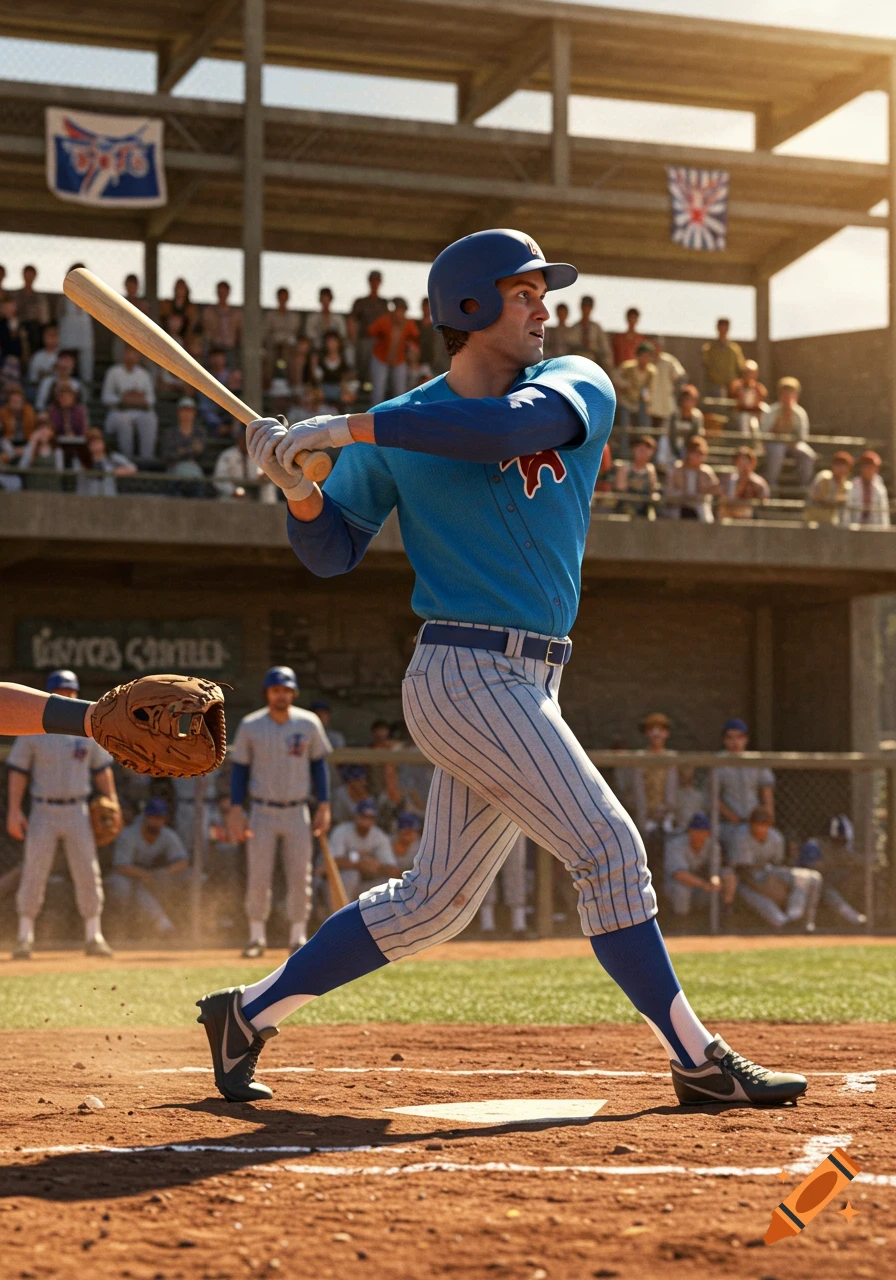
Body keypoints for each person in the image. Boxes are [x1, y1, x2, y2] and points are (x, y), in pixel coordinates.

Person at [198, 226, 807, 1109]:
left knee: (433, 904)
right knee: (610, 850)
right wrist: (298, 484)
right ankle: (698, 1058)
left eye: (539, 292)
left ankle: (244, 1016)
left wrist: (344, 425)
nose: (544, 307)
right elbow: (330, 551)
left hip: (531, 679)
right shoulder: (396, 430)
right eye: (524, 293)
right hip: (463, 672)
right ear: (471, 307)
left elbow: (498, 431)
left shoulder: (572, 382)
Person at [6, 669, 117, 959]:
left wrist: (112, 800)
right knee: (34, 872)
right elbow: (18, 772)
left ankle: (94, 935)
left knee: (88, 872)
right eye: (61, 692)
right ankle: (25, 937)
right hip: (43, 808)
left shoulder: (89, 728)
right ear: (51, 694)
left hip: (78, 809)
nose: (67, 696)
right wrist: (15, 811)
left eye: (71, 691)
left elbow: (101, 770)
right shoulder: (33, 727)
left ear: (77, 694)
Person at [227, 666, 332, 958]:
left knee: (301, 875)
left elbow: (319, 767)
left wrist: (324, 805)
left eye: (286, 690)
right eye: (276, 690)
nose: (281, 695)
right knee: (258, 875)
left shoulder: (308, 722)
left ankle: (297, 937)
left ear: (293, 693)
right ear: (267, 692)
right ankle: (256, 937)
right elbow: (239, 771)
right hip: (262, 809)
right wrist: (236, 808)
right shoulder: (251, 724)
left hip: (298, 809)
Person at [105, 797, 188, 937]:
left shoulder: (167, 835)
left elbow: (183, 862)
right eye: (153, 817)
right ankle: (122, 927)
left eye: (160, 817)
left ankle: (168, 926)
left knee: (174, 880)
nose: (156, 821)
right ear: (146, 817)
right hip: (126, 876)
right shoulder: (130, 834)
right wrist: (145, 875)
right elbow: (120, 866)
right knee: (123, 886)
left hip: (150, 876)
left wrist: (164, 873)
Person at [730, 808, 822, 933]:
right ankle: (783, 923)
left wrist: (775, 881)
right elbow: (741, 871)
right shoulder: (741, 835)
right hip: (745, 880)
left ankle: (797, 918)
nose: (760, 829)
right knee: (751, 894)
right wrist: (762, 887)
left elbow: (778, 864)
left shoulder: (776, 837)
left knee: (812, 878)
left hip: (768, 873)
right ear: (750, 824)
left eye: (764, 825)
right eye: (757, 825)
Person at [714, 718, 774, 857]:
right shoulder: (717, 762)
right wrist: (735, 819)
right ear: (724, 740)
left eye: (739, 737)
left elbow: (767, 793)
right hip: (729, 823)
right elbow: (713, 798)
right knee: (740, 835)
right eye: (730, 738)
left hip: (756, 819)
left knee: (774, 837)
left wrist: (768, 819)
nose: (735, 742)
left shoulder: (756, 759)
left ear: (746, 739)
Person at [663, 813, 735, 922]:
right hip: (676, 886)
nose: (700, 835)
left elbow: (716, 870)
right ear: (690, 831)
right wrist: (703, 884)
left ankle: (726, 914)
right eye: (696, 831)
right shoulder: (675, 844)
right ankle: (680, 924)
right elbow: (679, 874)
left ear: (708, 833)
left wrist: (715, 880)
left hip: (702, 887)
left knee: (728, 875)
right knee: (681, 891)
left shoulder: (713, 846)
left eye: (703, 831)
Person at [800, 814, 866, 927]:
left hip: (833, 880)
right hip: (808, 884)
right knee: (823, 886)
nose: (839, 845)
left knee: (858, 877)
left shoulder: (844, 849)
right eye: (837, 841)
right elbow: (810, 866)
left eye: (842, 841)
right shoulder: (813, 845)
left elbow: (855, 860)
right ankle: (852, 918)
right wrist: (836, 863)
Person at [328, 799, 397, 903]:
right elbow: (331, 863)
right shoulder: (341, 831)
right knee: (352, 875)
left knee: (389, 884)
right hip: (337, 884)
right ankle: (341, 913)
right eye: (363, 816)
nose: (366, 820)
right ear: (355, 816)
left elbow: (393, 870)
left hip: (364, 885)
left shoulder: (379, 836)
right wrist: (359, 863)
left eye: (370, 817)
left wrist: (378, 867)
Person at [630, 712, 678, 852]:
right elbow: (637, 789)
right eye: (652, 730)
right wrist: (644, 815)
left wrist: (670, 813)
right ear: (647, 733)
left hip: (668, 816)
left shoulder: (672, 758)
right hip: (645, 816)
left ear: (666, 733)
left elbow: (674, 789)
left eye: (660, 730)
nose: (656, 734)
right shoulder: (640, 757)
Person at [101, 344, 159, 460]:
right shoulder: (114, 371)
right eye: (128, 353)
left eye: (134, 353)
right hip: (118, 412)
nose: (131, 356)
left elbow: (151, 399)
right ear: (123, 354)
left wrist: (134, 399)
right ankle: (127, 460)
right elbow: (106, 397)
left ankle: (146, 461)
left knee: (150, 419)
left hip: (140, 411)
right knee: (124, 421)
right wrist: (123, 399)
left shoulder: (144, 374)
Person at [760, 377, 817, 489]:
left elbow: (803, 436)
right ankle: (772, 485)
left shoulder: (799, 413)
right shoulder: (771, 411)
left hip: (794, 444)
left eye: (790, 394)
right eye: (784, 394)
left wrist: (791, 441)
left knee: (808, 455)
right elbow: (763, 433)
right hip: (774, 444)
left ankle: (804, 486)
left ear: (796, 396)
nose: (787, 397)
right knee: (778, 450)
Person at [367, 298, 419, 405]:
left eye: (402, 310)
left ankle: (399, 416)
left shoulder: (408, 323)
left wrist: (410, 346)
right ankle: (373, 416)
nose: (399, 313)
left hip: (399, 360)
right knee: (378, 392)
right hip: (380, 358)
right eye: (397, 309)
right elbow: (370, 331)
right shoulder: (384, 320)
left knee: (400, 392)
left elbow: (416, 336)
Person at [478, 831, 528, 936]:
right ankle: (487, 925)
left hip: (514, 823)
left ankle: (519, 925)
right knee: (485, 870)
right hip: (485, 825)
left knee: (516, 869)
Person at [213, 422, 277, 503]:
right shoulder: (227, 455)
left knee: (269, 486)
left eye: (248, 439)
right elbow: (219, 477)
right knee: (226, 498)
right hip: (233, 490)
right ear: (238, 439)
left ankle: (270, 511)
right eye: (243, 438)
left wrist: (264, 475)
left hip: (254, 489)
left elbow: (263, 472)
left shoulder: (258, 454)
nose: (245, 442)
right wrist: (233, 491)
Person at [662, 435, 719, 522]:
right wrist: (683, 497)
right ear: (688, 453)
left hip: (700, 507)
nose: (697, 456)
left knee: (705, 518)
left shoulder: (706, 471)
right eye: (695, 453)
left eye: (700, 454)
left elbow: (715, 490)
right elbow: (669, 491)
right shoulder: (677, 469)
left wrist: (704, 492)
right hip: (678, 506)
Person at [57, 264, 95, 385]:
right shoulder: (64, 299)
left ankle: (86, 390)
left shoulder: (92, 297)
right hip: (67, 339)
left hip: (84, 339)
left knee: (86, 368)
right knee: (65, 364)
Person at [350, 270, 389, 385]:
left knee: (376, 369)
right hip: (364, 339)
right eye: (373, 280)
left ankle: (370, 387)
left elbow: (388, 322)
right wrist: (353, 339)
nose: (375, 283)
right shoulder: (360, 302)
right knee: (362, 364)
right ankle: (360, 386)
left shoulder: (384, 303)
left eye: (377, 280)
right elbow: (352, 320)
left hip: (379, 341)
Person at [73, 427, 136, 497]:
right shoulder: (80, 459)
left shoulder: (111, 457)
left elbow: (132, 468)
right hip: (87, 497)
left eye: (98, 442)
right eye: (93, 443)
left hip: (108, 496)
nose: (96, 446)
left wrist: (114, 472)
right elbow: (77, 471)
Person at [647, 337, 685, 444]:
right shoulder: (647, 360)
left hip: (665, 403)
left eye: (657, 346)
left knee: (664, 434)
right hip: (650, 404)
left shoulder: (669, 361)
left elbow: (680, 376)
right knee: (649, 434)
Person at [615, 342, 654, 442]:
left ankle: (644, 445)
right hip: (626, 400)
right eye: (643, 356)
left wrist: (647, 399)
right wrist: (626, 384)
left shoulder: (651, 371)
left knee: (645, 423)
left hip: (640, 401)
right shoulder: (627, 367)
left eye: (647, 357)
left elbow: (648, 388)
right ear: (637, 356)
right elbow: (616, 378)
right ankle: (624, 449)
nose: (645, 360)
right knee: (625, 426)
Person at [198, 348, 243, 435]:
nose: (217, 360)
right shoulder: (206, 377)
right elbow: (205, 408)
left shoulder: (232, 374)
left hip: (233, 410)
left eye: (220, 356)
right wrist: (218, 425)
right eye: (215, 357)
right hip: (216, 412)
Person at [612, 434, 659, 517]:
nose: (643, 452)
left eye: (647, 449)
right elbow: (621, 488)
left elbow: (653, 489)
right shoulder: (625, 468)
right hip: (626, 508)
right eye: (640, 449)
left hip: (644, 509)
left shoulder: (650, 469)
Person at [718, 446, 770, 520]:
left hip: (751, 517)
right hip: (731, 516)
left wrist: (751, 483)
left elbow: (764, 500)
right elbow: (728, 500)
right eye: (740, 462)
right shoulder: (730, 480)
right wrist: (741, 484)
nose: (743, 465)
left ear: (753, 463)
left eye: (746, 462)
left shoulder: (759, 482)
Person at [263, 287, 301, 385]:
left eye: (285, 297)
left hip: (289, 348)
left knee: (296, 359)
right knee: (266, 357)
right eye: (281, 297)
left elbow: (295, 334)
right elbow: (266, 333)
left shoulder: (294, 316)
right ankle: (268, 385)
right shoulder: (270, 315)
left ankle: (293, 386)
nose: (283, 299)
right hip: (273, 347)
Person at [804, 451, 853, 525]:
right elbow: (823, 498)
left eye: (844, 466)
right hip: (814, 517)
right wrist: (838, 499)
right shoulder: (825, 477)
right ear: (833, 466)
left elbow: (844, 500)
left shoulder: (845, 484)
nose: (841, 469)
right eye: (838, 465)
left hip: (829, 520)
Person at [162, 396, 207, 478]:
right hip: (174, 469)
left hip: (194, 468)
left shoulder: (199, 433)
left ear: (194, 413)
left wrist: (182, 451)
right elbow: (168, 455)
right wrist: (191, 450)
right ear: (178, 412)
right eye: (184, 410)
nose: (186, 414)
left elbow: (202, 454)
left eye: (189, 410)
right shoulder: (171, 433)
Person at [845, 450, 890, 527]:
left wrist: (884, 530)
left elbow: (883, 513)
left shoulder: (880, 489)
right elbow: (847, 509)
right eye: (866, 466)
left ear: (876, 469)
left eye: (871, 467)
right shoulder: (852, 486)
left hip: (874, 528)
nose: (868, 470)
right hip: (855, 526)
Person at [701, 318, 745, 397]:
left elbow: (741, 367)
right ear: (717, 328)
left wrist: (736, 382)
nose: (723, 329)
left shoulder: (735, 349)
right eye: (721, 326)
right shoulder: (709, 349)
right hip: (715, 385)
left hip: (732, 387)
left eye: (725, 326)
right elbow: (707, 366)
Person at [568, 296, 612, 370]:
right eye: (584, 306)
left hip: (593, 364)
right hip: (576, 364)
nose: (586, 309)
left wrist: (593, 347)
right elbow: (568, 346)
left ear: (592, 308)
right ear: (581, 307)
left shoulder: (596, 328)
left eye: (588, 306)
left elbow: (605, 350)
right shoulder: (574, 328)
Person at [202, 280, 243, 361]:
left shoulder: (236, 314)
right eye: (220, 292)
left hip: (230, 350)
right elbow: (206, 331)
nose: (222, 295)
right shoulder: (209, 312)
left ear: (228, 293)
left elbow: (240, 333)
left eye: (224, 292)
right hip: (214, 349)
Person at [18, 421, 64, 491]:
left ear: (52, 433)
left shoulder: (57, 451)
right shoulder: (31, 448)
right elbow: (22, 468)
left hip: (52, 491)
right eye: (41, 430)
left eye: (47, 429)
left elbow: (60, 473)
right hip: (32, 490)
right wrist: (32, 443)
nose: (44, 432)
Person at [16, 264, 50, 355]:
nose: (28, 278)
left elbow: (44, 318)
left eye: (31, 275)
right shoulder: (16, 296)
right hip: (17, 329)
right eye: (26, 275)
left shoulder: (39, 298)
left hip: (34, 330)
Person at [729, 360, 768, 438]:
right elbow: (735, 398)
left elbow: (761, 400)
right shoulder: (737, 385)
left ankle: (759, 443)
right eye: (747, 372)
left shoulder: (759, 388)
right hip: (740, 413)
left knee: (755, 424)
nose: (749, 375)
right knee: (744, 418)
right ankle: (745, 440)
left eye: (751, 372)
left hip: (753, 414)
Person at [305, 286, 349, 351]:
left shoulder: (338, 319)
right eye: (323, 299)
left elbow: (343, 334)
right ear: (320, 300)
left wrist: (332, 340)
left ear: (330, 300)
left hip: (334, 347)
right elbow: (309, 333)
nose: (325, 303)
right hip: (317, 346)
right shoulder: (313, 318)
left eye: (327, 299)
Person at [26, 321, 60, 392]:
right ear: (43, 337)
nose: (52, 338)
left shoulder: (64, 355)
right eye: (49, 335)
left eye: (55, 335)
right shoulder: (37, 356)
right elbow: (33, 379)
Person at [0, 385, 35, 451]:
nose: (16, 401)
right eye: (13, 400)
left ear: (22, 399)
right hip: (9, 440)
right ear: (9, 400)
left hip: (26, 439)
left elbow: (32, 427)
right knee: (3, 442)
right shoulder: (3, 412)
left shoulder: (29, 410)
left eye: (18, 399)